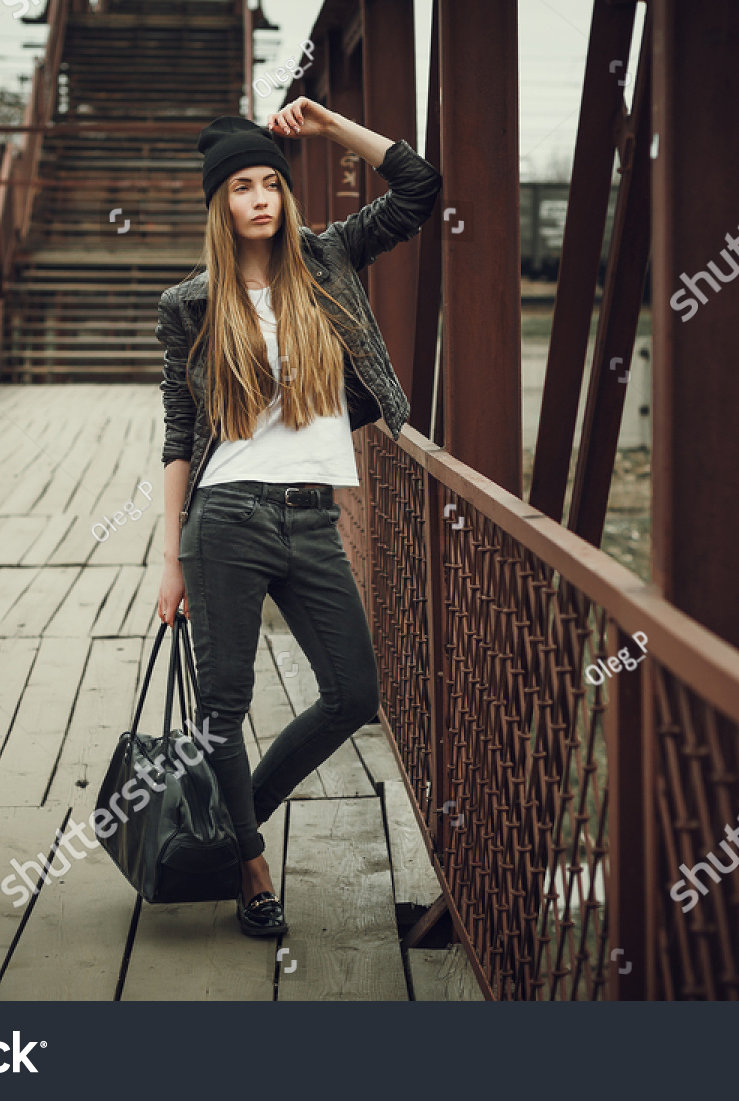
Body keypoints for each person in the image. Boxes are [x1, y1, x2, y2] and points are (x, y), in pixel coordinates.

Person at [154, 98, 442, 937]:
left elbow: (419, 188)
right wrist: (168, 556)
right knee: (224, 708)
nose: (260, 198)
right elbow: (179, 438)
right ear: (221, 204)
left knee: (354, 692)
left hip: (314, 516)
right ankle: (250, 867)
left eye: (270, 182)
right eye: (241, 186)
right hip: (227, 518)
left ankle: (229, 819)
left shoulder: (329, 259)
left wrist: (328, 127)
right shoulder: (190, 305)